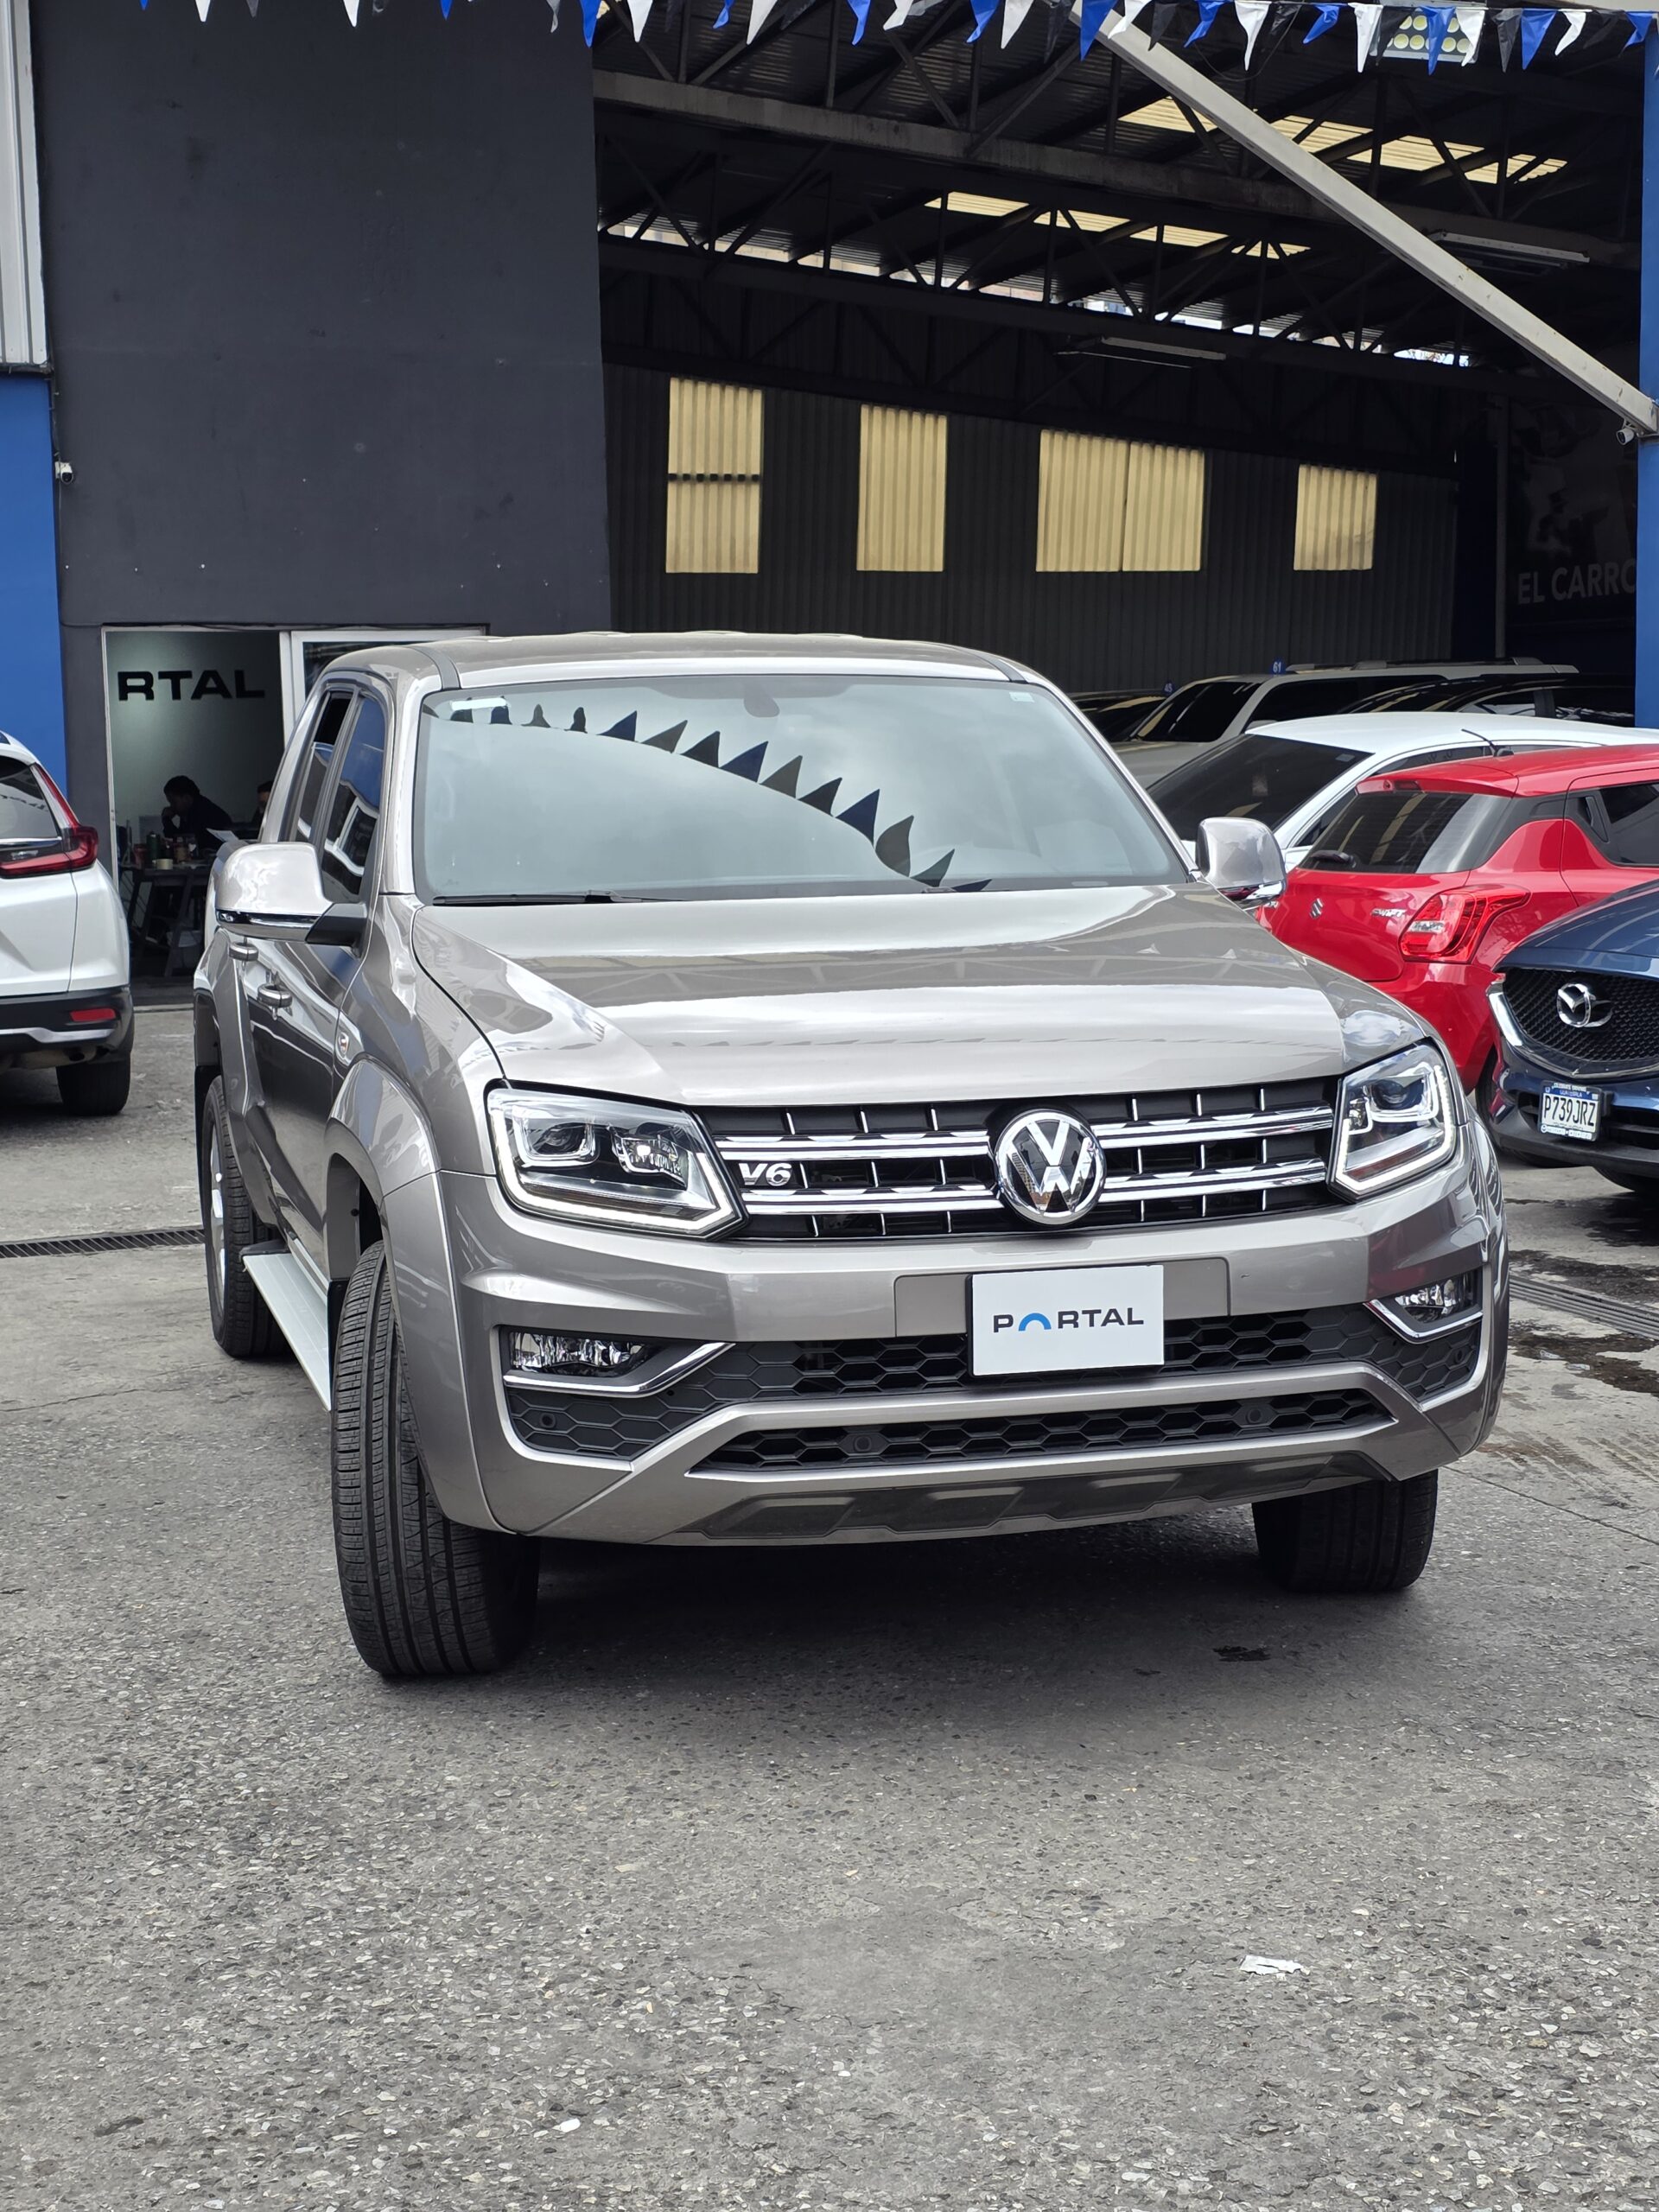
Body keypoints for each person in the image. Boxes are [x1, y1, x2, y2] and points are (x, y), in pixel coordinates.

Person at [161, 775, 232, 849]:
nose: (172, 806)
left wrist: (167, 820)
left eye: (173, 802)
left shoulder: (204, 812)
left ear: (186, 798)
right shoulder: (193, 810)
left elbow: (182, 843)